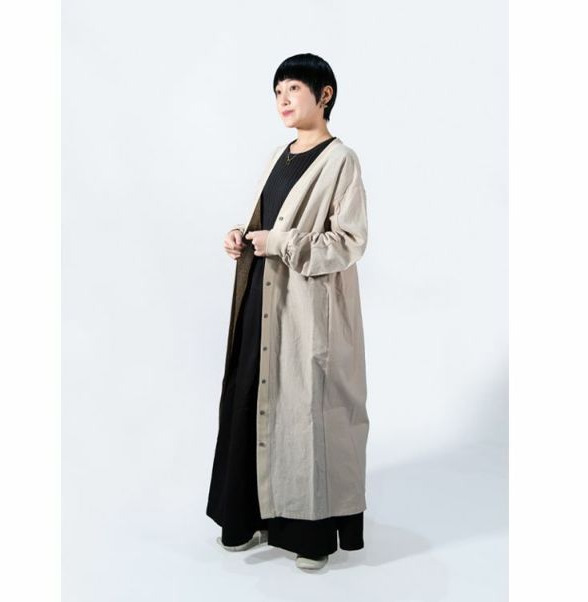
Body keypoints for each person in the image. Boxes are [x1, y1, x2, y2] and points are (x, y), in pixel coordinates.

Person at [207, 52, 369, 572]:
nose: (283, 99)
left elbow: (348, 243)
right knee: (251, 402)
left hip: (305, 312)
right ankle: (249, 518)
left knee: (304, 412)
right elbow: (267, 222)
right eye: (278, 91)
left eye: (294, 88)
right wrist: (241, 236)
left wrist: (280, 243)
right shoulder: (279, 155)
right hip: (261, 299)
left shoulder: (340, 160)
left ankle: (309, 535)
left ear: (325, 95)